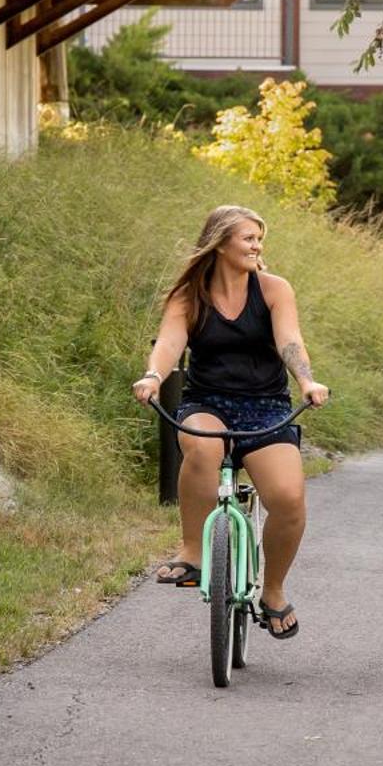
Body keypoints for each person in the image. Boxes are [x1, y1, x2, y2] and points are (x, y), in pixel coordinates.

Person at [134, 205, 330, 639]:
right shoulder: (189, 296)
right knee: (203, 445)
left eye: (260, 239)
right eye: (248, 238)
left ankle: (273, 591)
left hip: (267, 407)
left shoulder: (275, 289)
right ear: (220, 242)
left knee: (289, 499)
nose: (257, 246)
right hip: (208, 401)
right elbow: (170, 342)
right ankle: (193, 551)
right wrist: (153, 375)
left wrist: (307, 381)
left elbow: (290, 341)